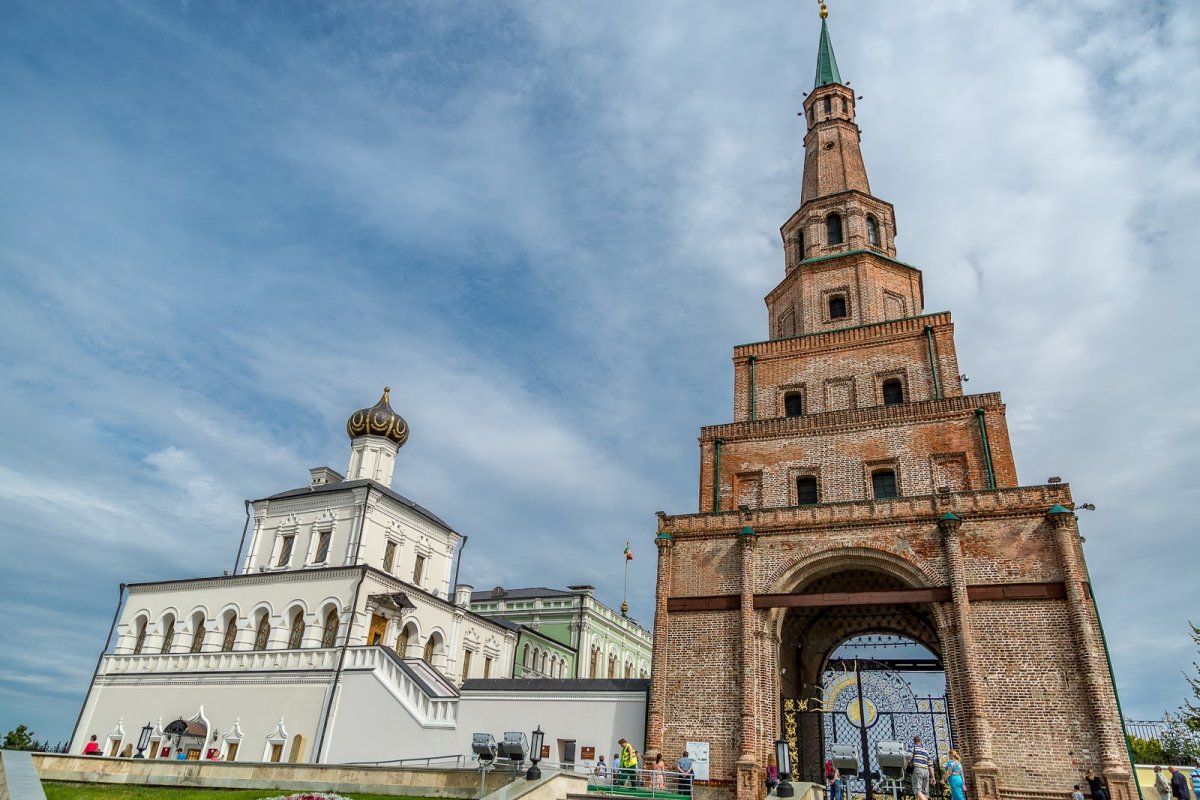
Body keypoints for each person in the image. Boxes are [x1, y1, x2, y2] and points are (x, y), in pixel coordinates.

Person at [909, 735, 932, 800]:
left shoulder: (912, 748)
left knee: (917, 790)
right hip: (926, 771)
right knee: (925, 792)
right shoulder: (926, 751)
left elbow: (907, 758)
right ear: (921, 742)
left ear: (914, 742)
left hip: (917, 770)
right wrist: (933, 776)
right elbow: (930, 765)